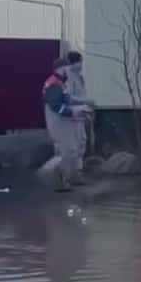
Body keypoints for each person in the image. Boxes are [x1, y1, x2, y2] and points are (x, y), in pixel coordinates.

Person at [42, 58, 90, 192]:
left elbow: (66, 100)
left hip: (64, 121)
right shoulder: (53, 83)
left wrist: (80, 109)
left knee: (72, 149)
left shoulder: (60, 83)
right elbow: (56, 105)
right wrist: (72, 112)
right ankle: (59, 180)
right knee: (66, 151)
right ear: (60, 68)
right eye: (67, 67)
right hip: (58, 121)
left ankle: (69, 178)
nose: (69, 70)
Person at [65, 51, 95, 184]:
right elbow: (69, 98)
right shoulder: (68, 76)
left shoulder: (79, 77)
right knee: (76, 144)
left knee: (82, 141)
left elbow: (82, 94)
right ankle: (73, 174)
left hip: (80, 114)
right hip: (73, 115)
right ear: (74, 62)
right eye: (80, 62)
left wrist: (87, 108)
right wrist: (85, 102)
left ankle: (78, 172)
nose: (81, 65)